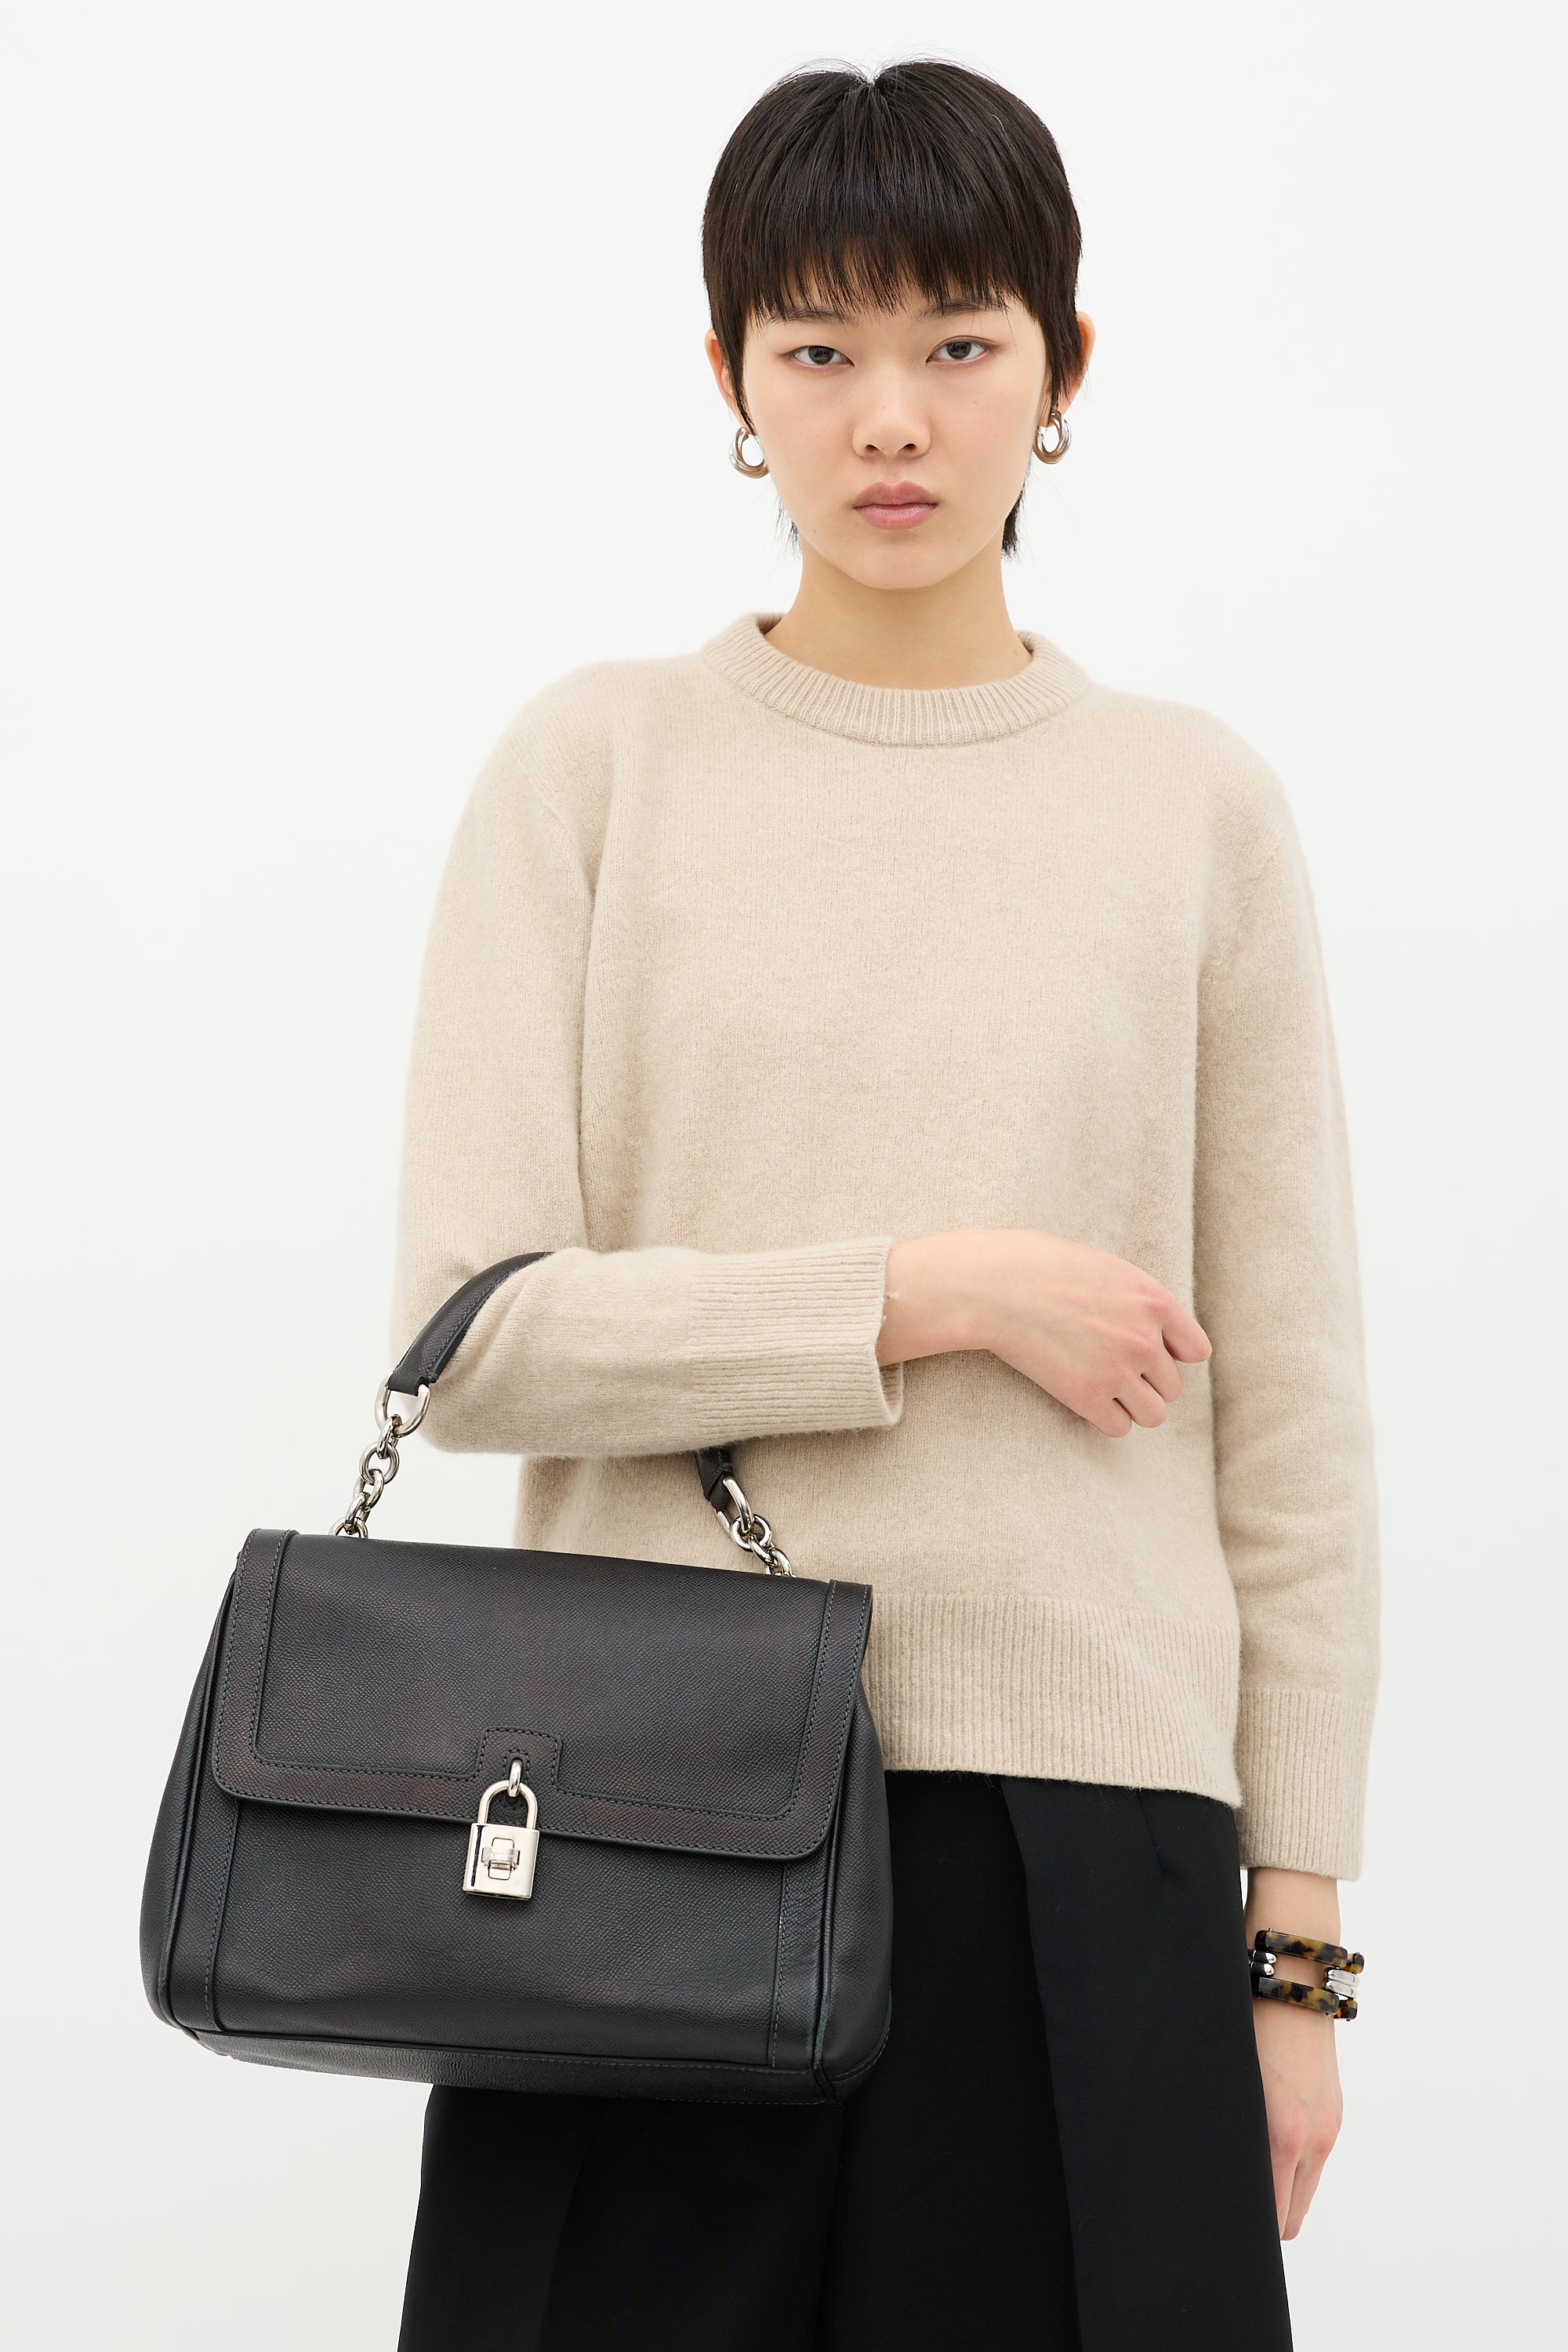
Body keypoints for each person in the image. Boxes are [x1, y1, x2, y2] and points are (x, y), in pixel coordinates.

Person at [390, 57, 1378, 2352]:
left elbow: (1299, 1428)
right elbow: (470, 1330)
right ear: (729, 379)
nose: (893, 418)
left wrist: (1299, 1957)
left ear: (1065, 364)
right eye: (820, 348)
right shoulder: (595, 766)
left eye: (959, 340)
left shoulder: (1194, 808)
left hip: (1086, 1843)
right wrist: (926, 1293)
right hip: (638, 1814)